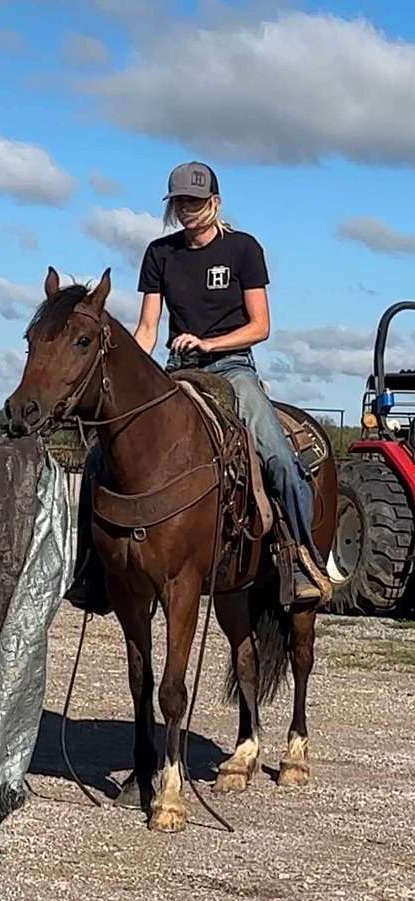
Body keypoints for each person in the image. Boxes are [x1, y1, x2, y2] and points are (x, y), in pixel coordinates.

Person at [133, 161, 325, 601]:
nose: (187, 210)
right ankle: (93, 564)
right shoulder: (159, 254)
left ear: (215, 202)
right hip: (179, 369)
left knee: (277, 455)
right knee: (110, 452)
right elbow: (147, 329)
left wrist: (209, 343)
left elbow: (261, 326)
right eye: (180, 202)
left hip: (234, 368)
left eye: (196, 202)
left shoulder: (243, 250)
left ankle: (299, 556)